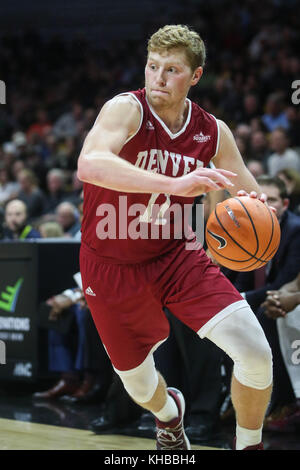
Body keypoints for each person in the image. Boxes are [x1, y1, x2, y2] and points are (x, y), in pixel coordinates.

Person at [77, 25, 273, 451]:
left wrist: (258, 213)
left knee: (256, 354)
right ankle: (169, 415)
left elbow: (248, 192)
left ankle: (250, 444)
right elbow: (89, 164)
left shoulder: (212, 131)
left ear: (195, 76)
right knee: (141, 386)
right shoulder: (126, 109)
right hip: (110, 267)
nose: (158, 78)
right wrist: (174, 183)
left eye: (172, 69)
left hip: (177, 257)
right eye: (152, 66)